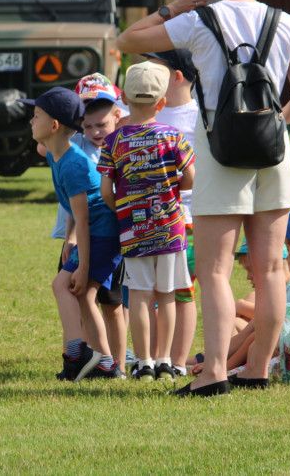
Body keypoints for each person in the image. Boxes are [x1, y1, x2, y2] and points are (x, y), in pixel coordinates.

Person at [117, 0, 290, 396]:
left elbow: (127, 40)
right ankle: (259, 369)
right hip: (273, 154)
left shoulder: (199, 20)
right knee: (269, 271)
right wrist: (273, 128)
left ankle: (214, 374)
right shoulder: (284, 22)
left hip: (218, 152)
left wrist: (170, 9)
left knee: (214, 271)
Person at [98, 61, 194, 382]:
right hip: (170, 229)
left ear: (124, 98)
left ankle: (143, 363)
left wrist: (122, 209)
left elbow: (105, 191)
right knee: (167, 294)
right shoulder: (173, 136)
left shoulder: (113, 142)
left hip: (133, 229)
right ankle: (165, 360)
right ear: (161, 102)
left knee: (139, 295)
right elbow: (191, 179)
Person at [22, 87, 122, 380]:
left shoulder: (75, 165)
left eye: (36, 115)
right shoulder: (57, 156)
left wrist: (85, 265)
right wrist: (69, 239)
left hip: (103, 234)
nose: (31, 121)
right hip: (92, 233)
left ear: (53, 126)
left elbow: (86, 216)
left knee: (63, 285)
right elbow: (72, 209)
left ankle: (77, 354)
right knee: (83, 295)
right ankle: (105, 365)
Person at [143, 49, 199, 376]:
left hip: (186, 223)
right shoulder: (143, 111)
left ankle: (177, 361)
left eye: (157, 68)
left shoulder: (199, 117)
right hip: (143, 222)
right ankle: (150, 357)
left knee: (181, 292)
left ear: (176, 76)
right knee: (147, 292)